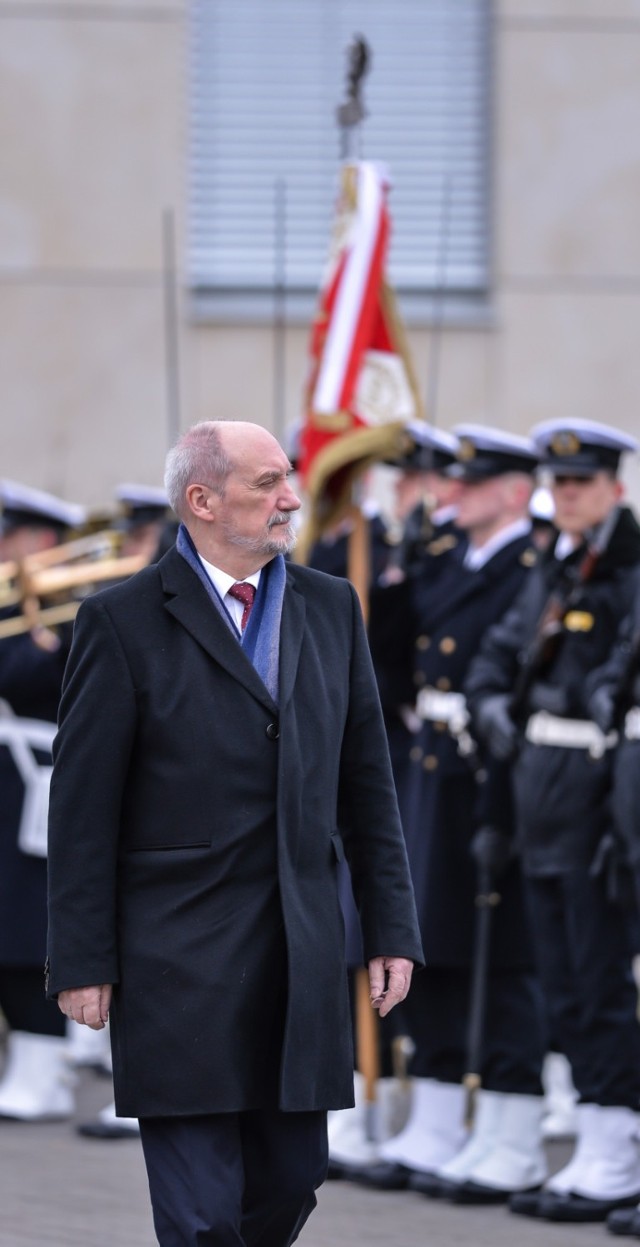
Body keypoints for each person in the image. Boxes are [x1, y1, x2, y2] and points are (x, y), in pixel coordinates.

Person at [46, 419, 423, 1247]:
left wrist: (392, 928)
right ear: (202, 500)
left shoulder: (330, 606)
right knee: (200, 1214)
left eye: (285, 478)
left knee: (290, 1182)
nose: (290, 497)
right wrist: (81, 958)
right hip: (176, 958)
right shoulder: (121, 619)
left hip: (302, 953)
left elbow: (368, 786)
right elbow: (81, 809)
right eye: (267, 482)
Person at [356, 426, 547, 1201]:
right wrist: (397, 565)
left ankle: (514, 1122)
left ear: (510, 493)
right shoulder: (440, 558)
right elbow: (388, 651)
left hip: (488, 769)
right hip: (428, 766)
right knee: (423, 935)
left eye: (470, 485)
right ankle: (435, 1112)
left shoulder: (529, 566)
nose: (451, 495)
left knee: (502, 953)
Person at [465, 418, 640, 1224]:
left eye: (581, 484)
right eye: (558, 484)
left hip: (599, 793)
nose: (566, 496)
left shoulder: (627, 566)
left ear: (615, 486)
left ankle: (618, 1147)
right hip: (542, 792)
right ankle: (601, 1143)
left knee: (600, 978)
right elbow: (498, 651)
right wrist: (493, 701)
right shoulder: (555, 563)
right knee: (563, 980)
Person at [0, 480, 85, 1120]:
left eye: (16, 536)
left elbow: (37, 684)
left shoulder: (65, 612)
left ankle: (42, 1072)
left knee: (33, 932)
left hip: (36, 778)